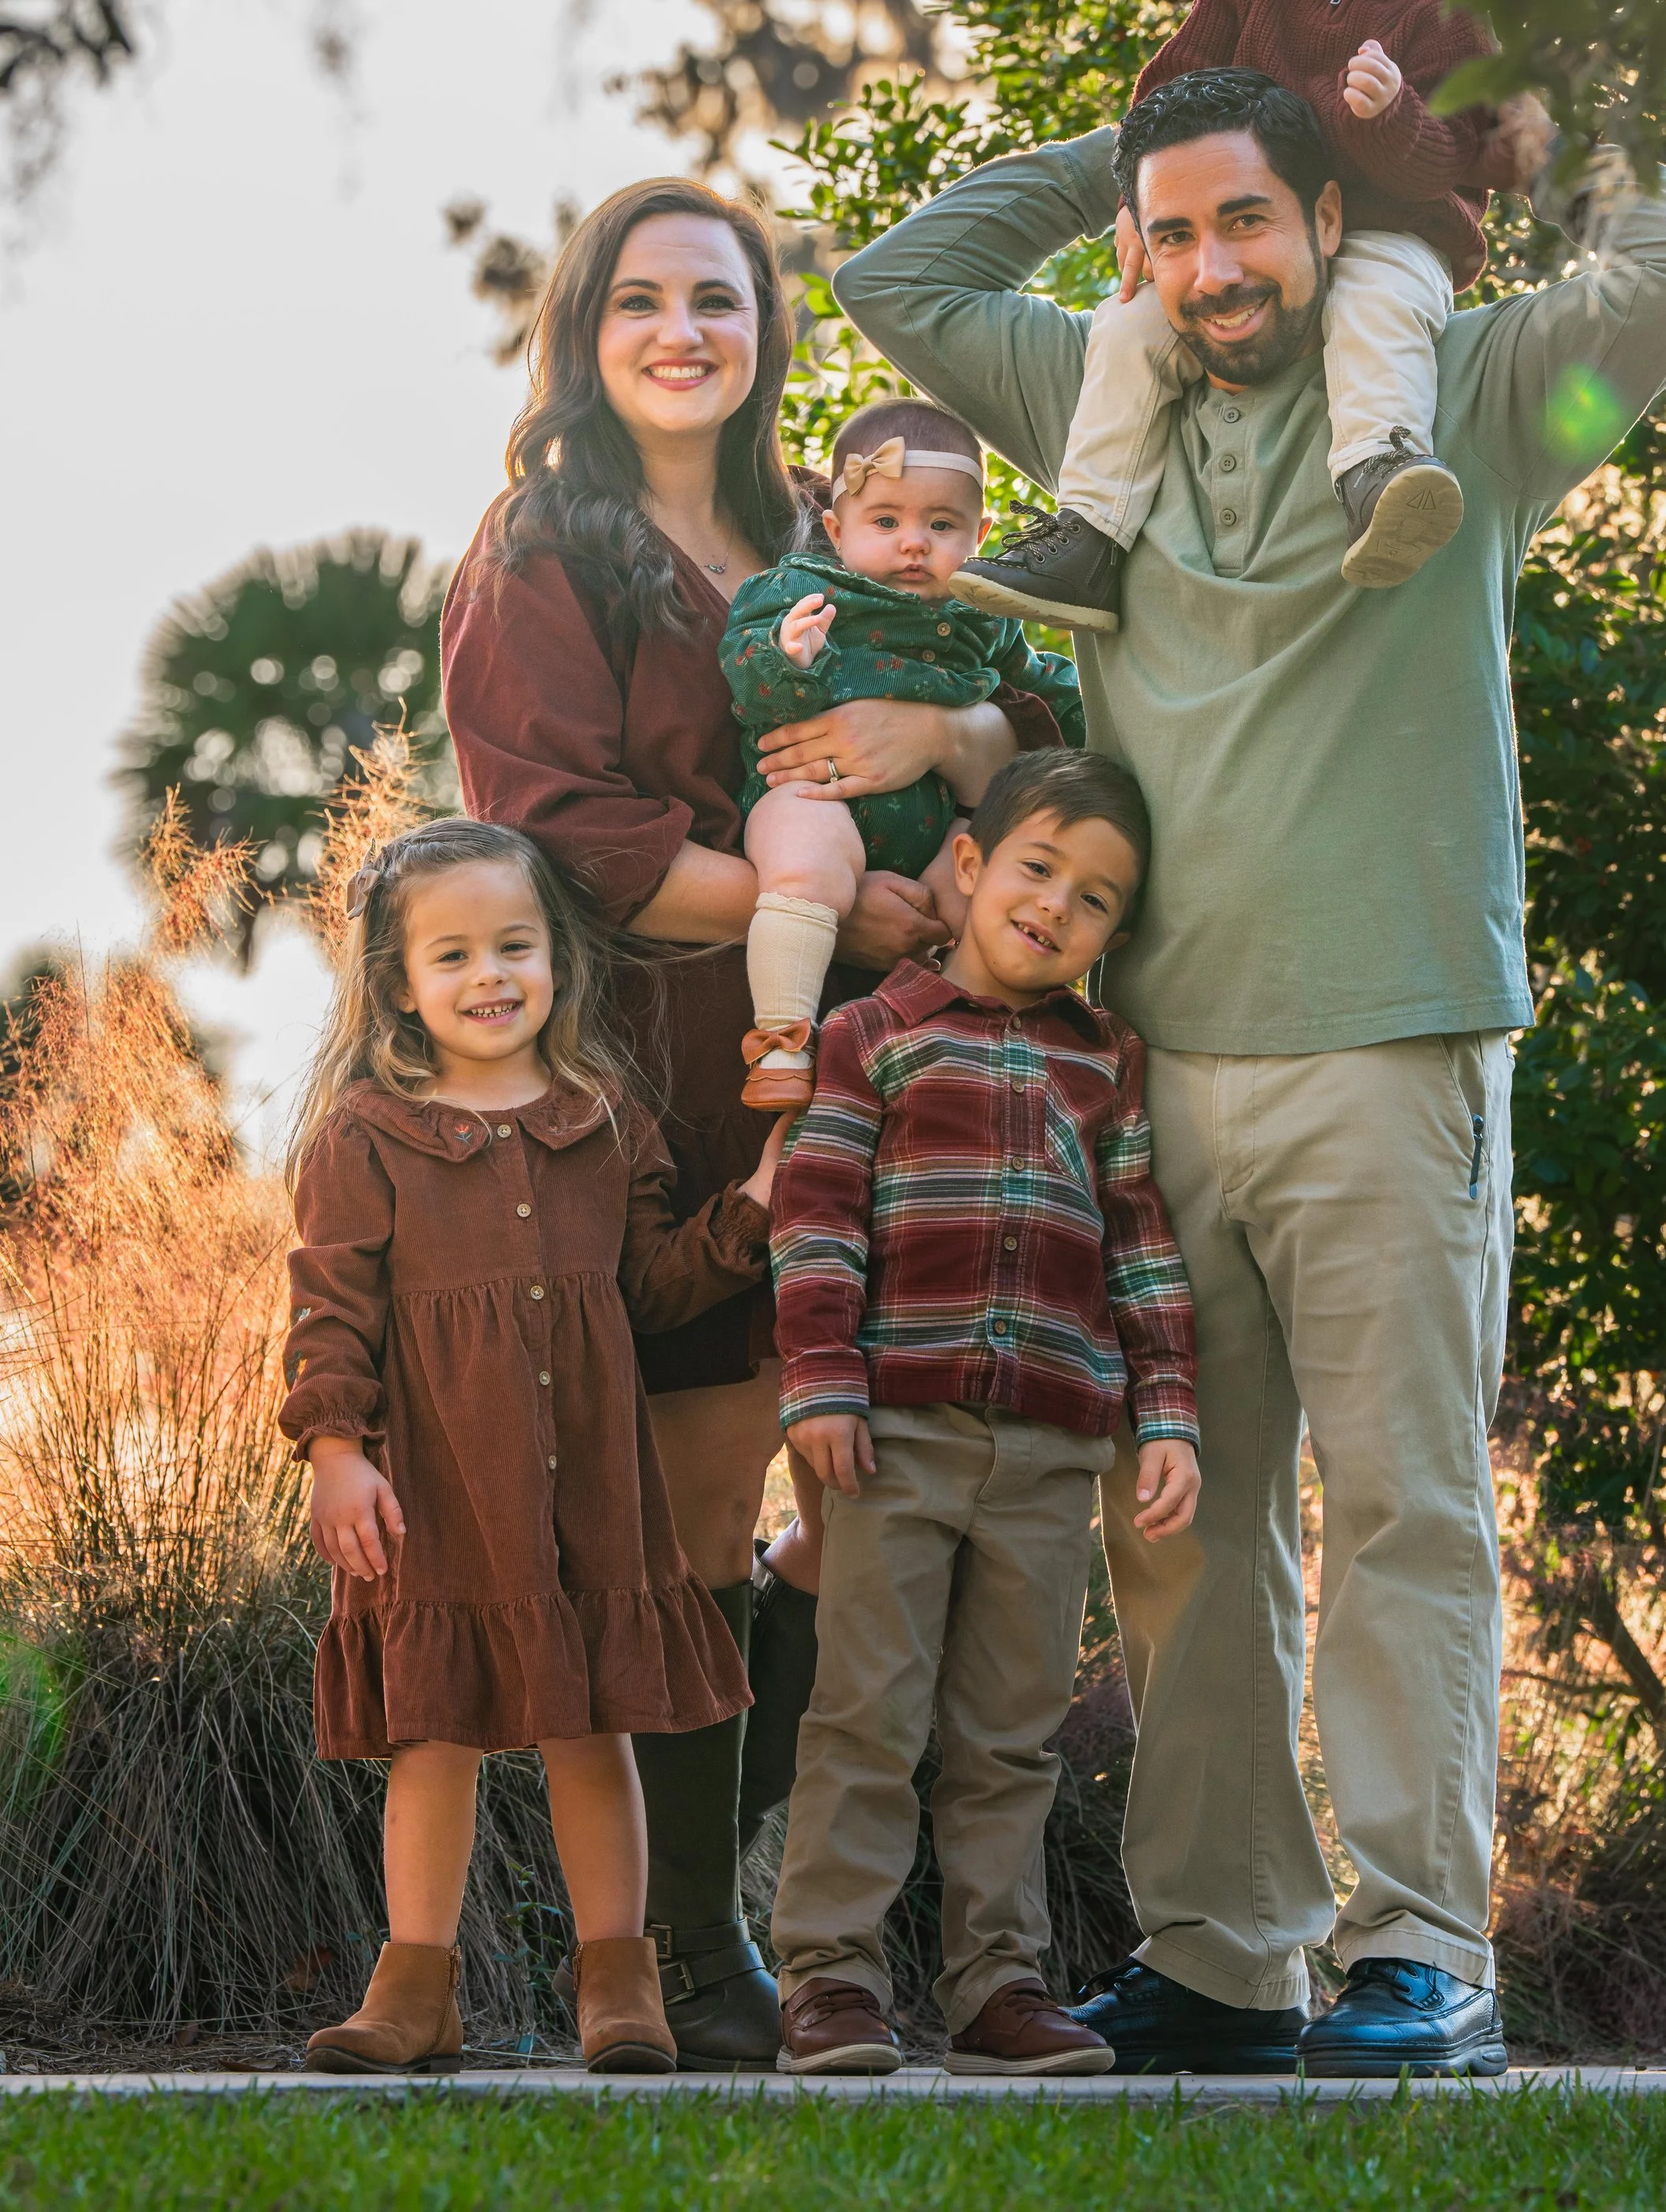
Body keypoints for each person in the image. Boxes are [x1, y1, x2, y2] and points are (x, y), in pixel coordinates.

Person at [830, 69, 1666, 2075]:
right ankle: (1227, 1960)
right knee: (1182, 1530)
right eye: (1167, 238)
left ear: (1328, 223)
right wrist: (1139, 144)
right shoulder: (1103, 403)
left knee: (1404, 1508)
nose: (1202, 267)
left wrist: (1508, 126)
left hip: (1389, 1041)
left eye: (1244, 220)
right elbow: (904, 271)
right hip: (1155, 1073)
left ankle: (1421, 1953)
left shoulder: (1479, 406)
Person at [440, 176, 1064, 2063]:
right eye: (640, 300)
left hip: (908, 1066)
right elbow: (551, 826)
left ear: (765, 331)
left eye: (714, 299)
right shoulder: (543, 552)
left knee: (866, 1508)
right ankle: (693, 1955)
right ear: (586, 329)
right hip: (679, 1068)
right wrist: (818, 904)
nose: (681, 330)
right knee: (713, 1499)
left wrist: (944, 762)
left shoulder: (841, 526)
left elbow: (1015, 704)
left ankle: (846, 1943)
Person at [281, 819, 785, 2076]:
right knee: (433, 1734)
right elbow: (329, 1308)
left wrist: (761, 1207)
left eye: (515, 944)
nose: (490, 975)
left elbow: (654, 1287)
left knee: (593, 1729)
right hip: (442, 1488)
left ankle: (621, 1985)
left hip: (591, 1491)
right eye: (452, 955)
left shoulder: (606, 1120)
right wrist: (335, 1449)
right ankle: (416, 1986)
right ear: (400, 983)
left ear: (557, 954)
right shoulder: (366, 1136)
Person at [768, 748, 1200, 2076]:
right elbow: (818, 1222)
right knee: (867, 1716)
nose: (1058, 906)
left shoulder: (1106, 1063)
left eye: (1098, 900)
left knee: (1010, 1734)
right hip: (892, 1434)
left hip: (1052, 1448)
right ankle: (831, 1981)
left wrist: (1167, 1413)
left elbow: (1139, 1244)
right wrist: (824, 1388)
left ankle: (996, 1988)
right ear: (967, 866)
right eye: (1037, 868)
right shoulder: (872, 1038)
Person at [953, 0, 1539, 630]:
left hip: (1393, 234)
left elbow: (1452, 158)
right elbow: (1169, 96)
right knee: (1126, 326)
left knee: (1376, 311)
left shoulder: (1449, 21)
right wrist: (1135, 204)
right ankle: (1089, 532)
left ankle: (1377, 471)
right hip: (1252, 247)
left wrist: (1389, 117)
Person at [719, 396, 1085, 1112]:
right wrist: (787, 657)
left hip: (939, 821)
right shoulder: (801, 590)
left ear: (979, 535)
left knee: (981, 898)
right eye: (885, 521)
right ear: (836, 527)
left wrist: (1109, 705)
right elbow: (747, 679)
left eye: (941, 525)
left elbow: (1044, 693)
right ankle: (783, 1041)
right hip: (817, 794)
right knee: (802, 869)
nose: (913, 543)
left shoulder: (983, 612)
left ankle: (975, 1055)